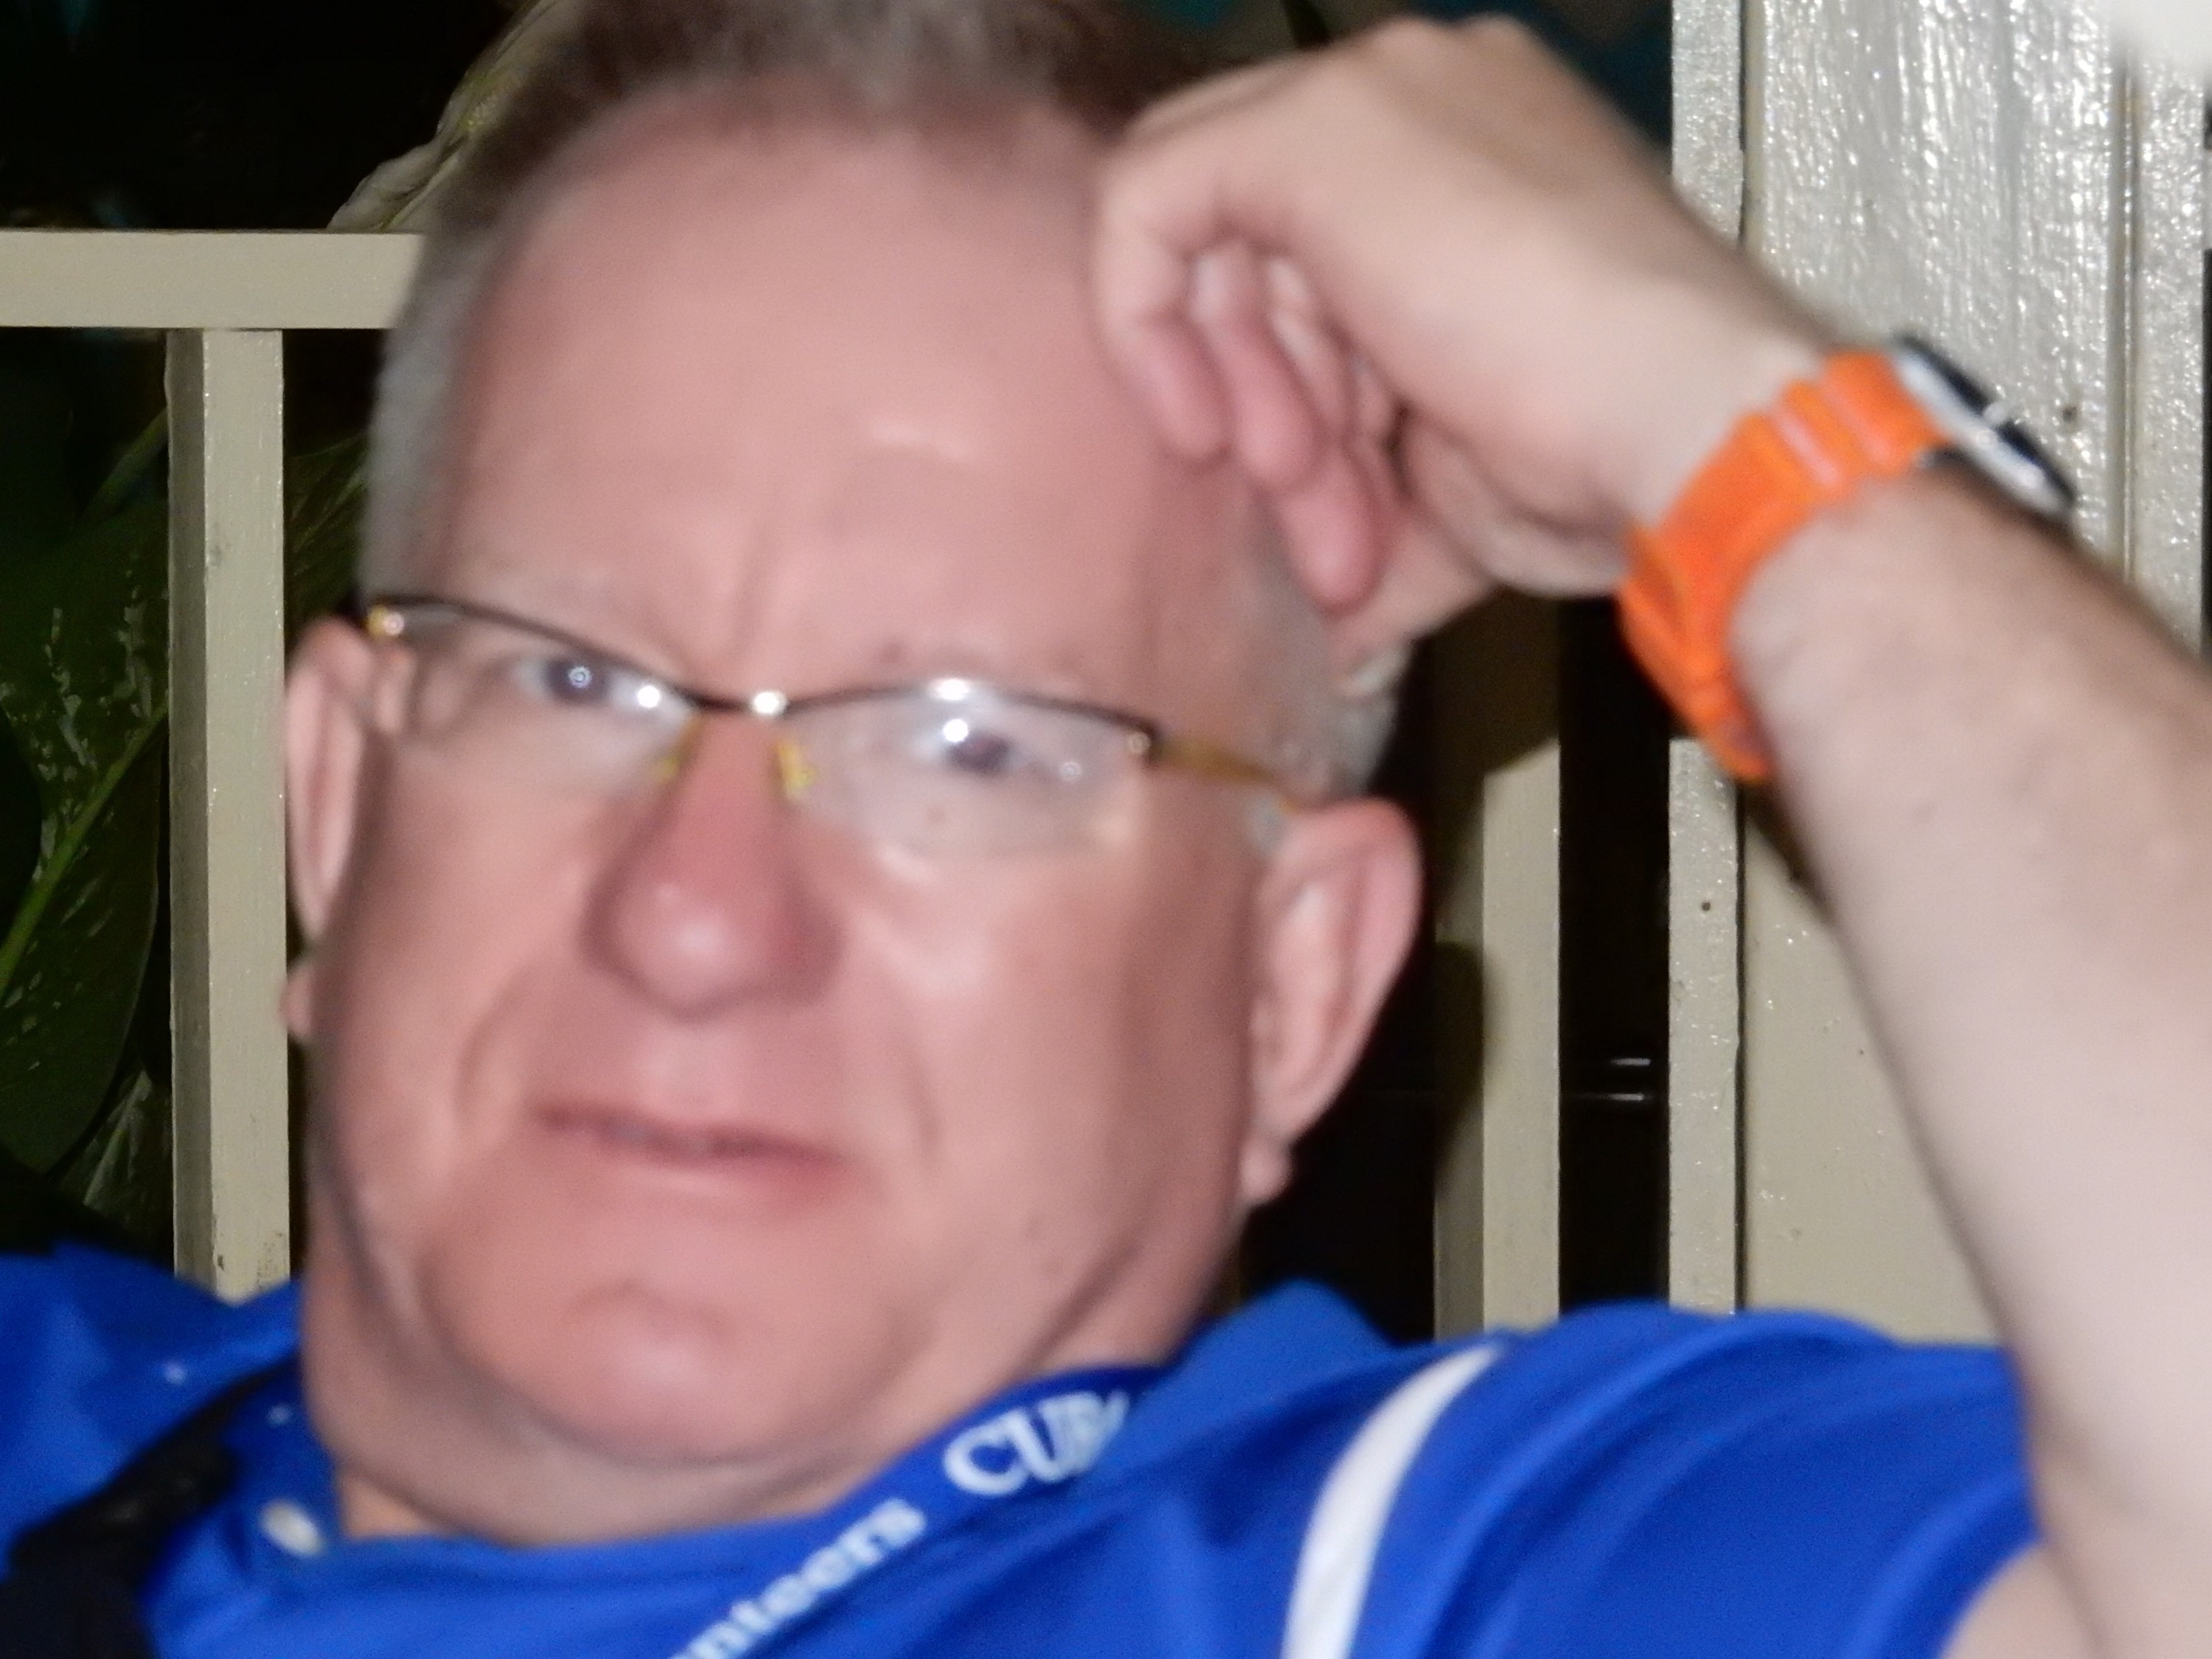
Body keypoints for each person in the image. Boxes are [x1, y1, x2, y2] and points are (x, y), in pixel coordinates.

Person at [1, 2, 2205, 1656]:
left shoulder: (1422, 1576)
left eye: (975, 748)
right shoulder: (55, 1416)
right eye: (573, 683)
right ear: (340, 807)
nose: (697, 913)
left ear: (1293, 991)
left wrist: (1735, 432)